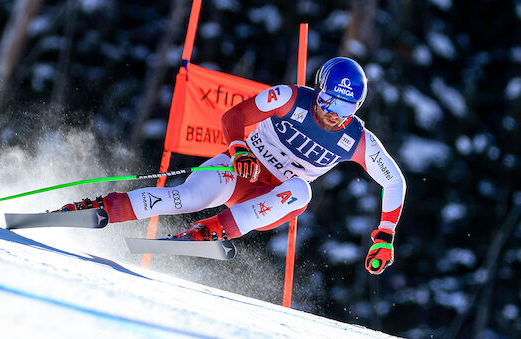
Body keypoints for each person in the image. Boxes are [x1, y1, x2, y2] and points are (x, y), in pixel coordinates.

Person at [55, 57, 406, 275]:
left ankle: (210, 232)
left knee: (302, 190)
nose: (332, 114)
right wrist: (239, 149)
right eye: (328, 100)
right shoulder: (289, 97)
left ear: (356, 108)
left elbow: (394, 182)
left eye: (345, 108)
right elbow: (235, 115)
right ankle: (101, 207)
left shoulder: (358, 140)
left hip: (271, 199)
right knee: (185, 198)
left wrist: (386, 233)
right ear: (319, 90)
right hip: (243, 169)